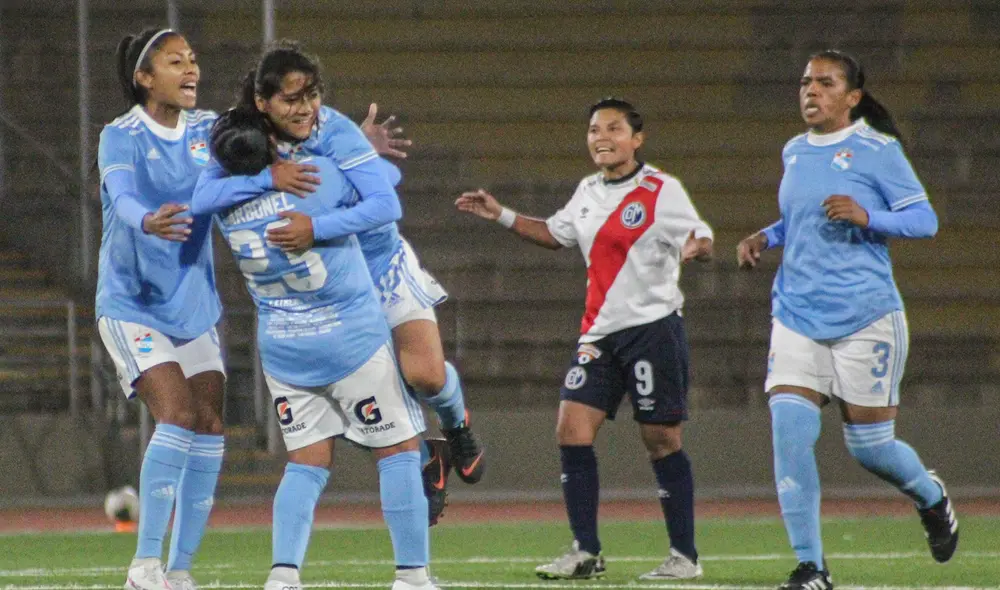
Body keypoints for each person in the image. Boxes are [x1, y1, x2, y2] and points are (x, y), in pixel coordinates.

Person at [191, 41, 485, 494]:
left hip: (380, 267)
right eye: (291, 98)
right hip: (327, 294)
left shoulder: (333, 132)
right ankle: (425, 457)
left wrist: (334, 202)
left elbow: (387, 193)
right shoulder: (240, 141)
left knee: (424, 374)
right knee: (360, 405)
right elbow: (201, 199)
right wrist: (267, 178)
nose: (306, 108)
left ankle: (456, 423)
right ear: (262, 103)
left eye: (312, 95)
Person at [456, 98, 713, 581]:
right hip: (599, 334)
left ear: (636, 140)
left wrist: (696, 248)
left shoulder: (661, 189)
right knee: (570, 428)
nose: (601, 137)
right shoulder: (587, 191)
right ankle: (586, 551)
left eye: (613, 129)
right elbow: (556, 234)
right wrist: (501, 215)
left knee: (661, 439)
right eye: (594, 129)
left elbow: (698, 235)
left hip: (652, 329)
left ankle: (684, 556)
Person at [736, 50, 958, 590]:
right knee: (790, 434)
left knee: (872, 450)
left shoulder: (878, 151)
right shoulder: (793, 150)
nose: (810, 91)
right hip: (795, 313)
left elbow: (924, 220)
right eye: (806, 82)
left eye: (825, 83)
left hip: (865, 316)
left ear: (852, 97)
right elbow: (800, 219)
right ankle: (812, 567)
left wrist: (868, 216)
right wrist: (767, 236)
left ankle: (931, 497)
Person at [205, 107, 438, 590]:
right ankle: (413, 577)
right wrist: (359, 146)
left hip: (286, 350)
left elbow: (202, 191)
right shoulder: (313, 183)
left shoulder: (223, 205)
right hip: (348, 339)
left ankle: (284, 574)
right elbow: (382, 187)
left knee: (306, 464)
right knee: (397, 450)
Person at [97, 28, 226, 590]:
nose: (191, 69)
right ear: (144, 78)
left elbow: (278, 143)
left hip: (193, 303)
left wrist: (351, 145)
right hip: (132, 303)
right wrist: (145, 218)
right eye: (176, 62)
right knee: (174, 411)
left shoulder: (209, 129)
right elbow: (121, 195)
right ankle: (143, 565)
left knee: (210, 421)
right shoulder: (119, 135)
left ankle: (179, 571)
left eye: (193, 60)